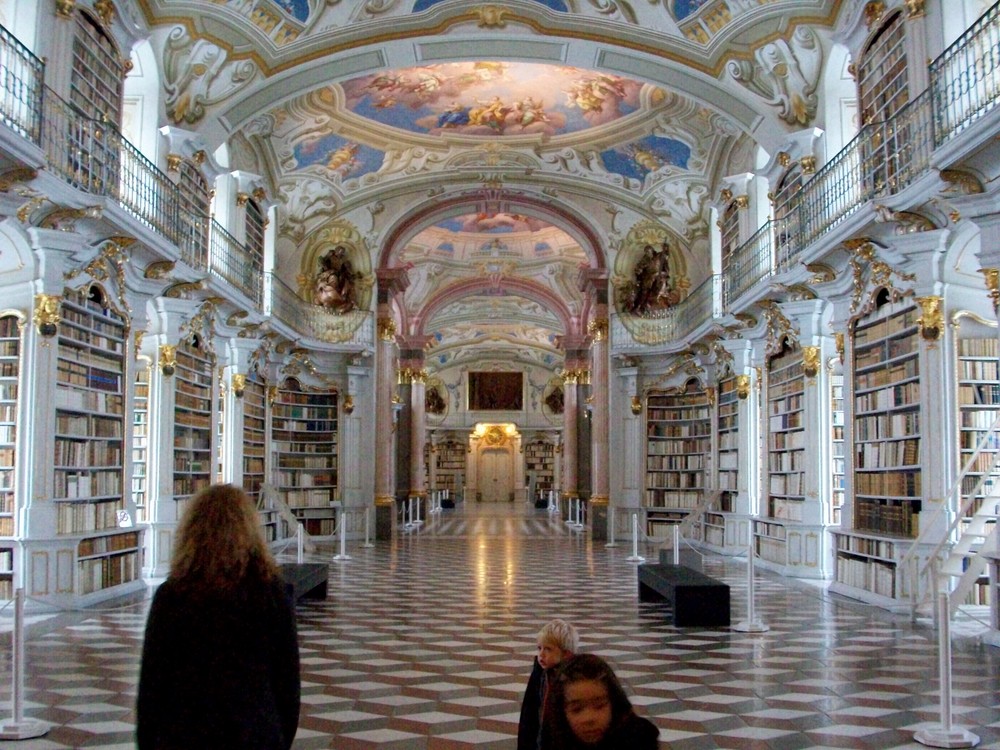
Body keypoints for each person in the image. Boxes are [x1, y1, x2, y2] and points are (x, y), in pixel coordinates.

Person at [136, 484, 301, 749]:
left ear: (192, 531)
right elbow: (287, 684)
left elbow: (153, 685)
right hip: (254, 733)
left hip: (184, 734)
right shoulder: (273, 593)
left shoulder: (172, 595)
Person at [543, 654, 660, 749]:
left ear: (614, 703)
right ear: (561, 711)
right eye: (576, 709)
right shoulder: (553, 738)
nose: (589, 718)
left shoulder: (640, 739)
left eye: (599, 706)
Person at [518, 618, 580, 750]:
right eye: (539, 648)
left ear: (566, 654)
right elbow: (531, 710)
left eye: (548, 649)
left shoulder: (573, 680)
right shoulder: (541, 674)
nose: (541, 654)